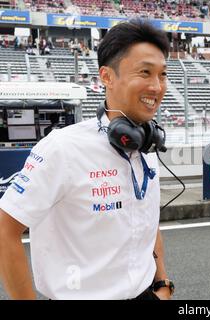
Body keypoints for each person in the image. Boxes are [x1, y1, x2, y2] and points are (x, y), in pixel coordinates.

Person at [0, 19, 174, 300]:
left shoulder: (146, 147)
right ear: (107, 77)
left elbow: (148, 220)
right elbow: (4, 230)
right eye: (145, 72)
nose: (157, 86)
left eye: (163, 75)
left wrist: (162, 283)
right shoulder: (63, 148)